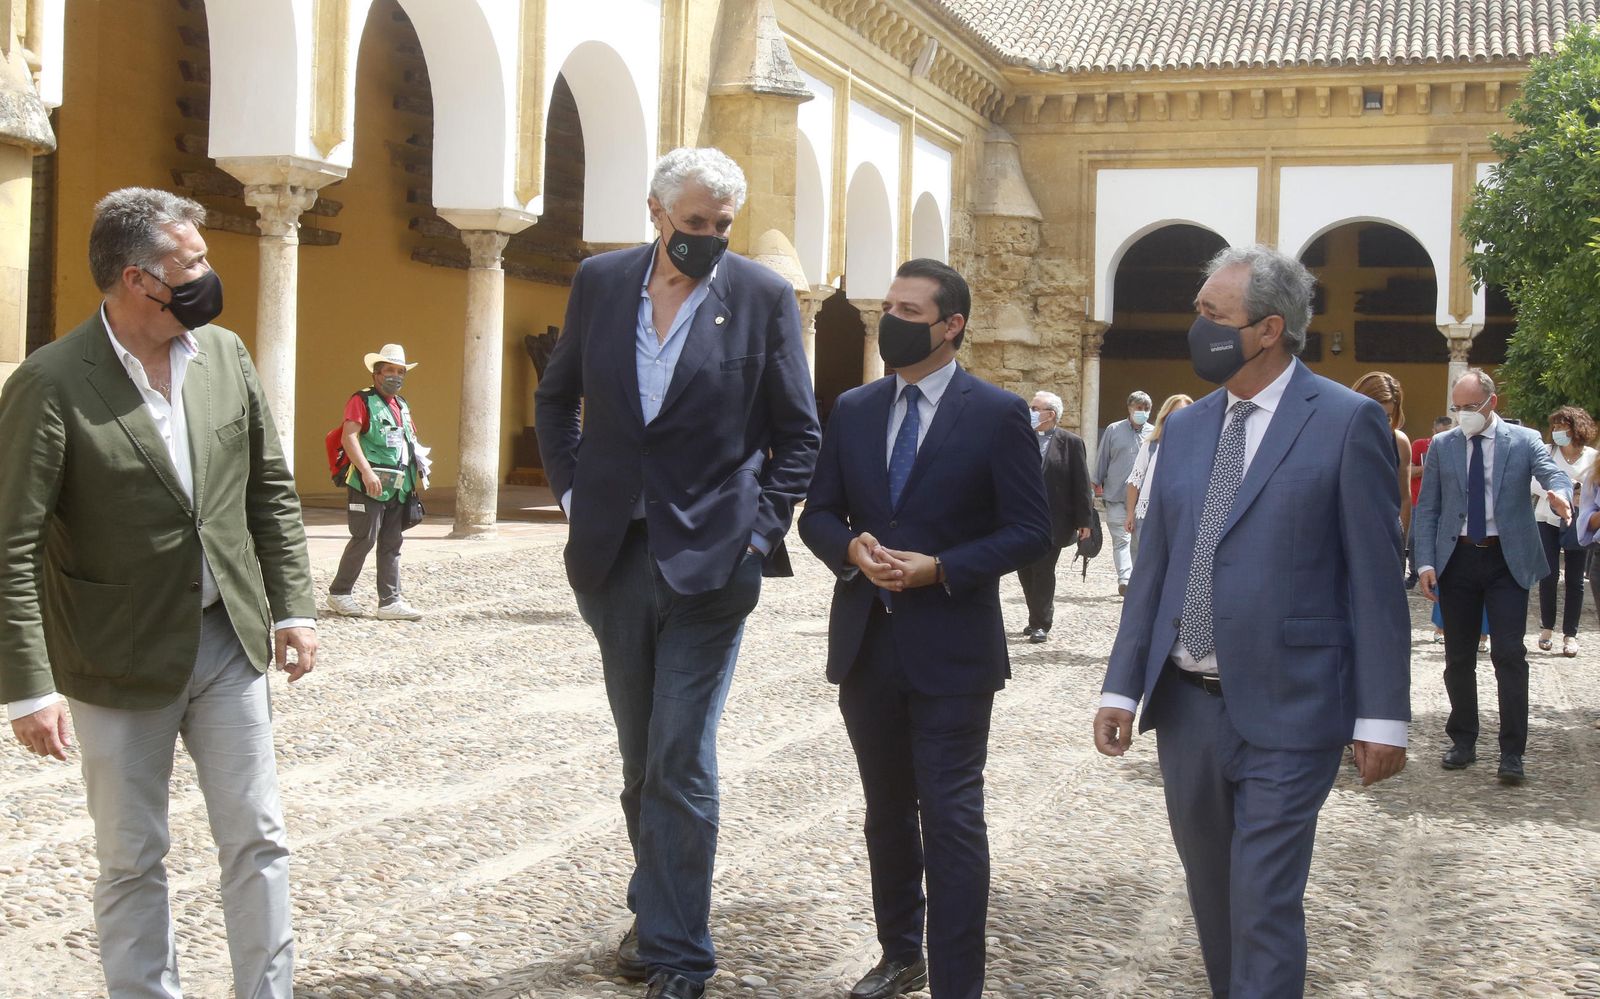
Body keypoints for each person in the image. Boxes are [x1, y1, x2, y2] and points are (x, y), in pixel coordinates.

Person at [0, 188, 318, 998]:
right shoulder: (51, 382)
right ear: (139, 279)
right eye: (195, 263)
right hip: (115, 656)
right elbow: (11, 544)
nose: (211, 275)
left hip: (225, 641)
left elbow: (269, 488)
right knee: (132, 856)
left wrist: (292, 605)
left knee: (258, 837)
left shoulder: (226, 356)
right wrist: (29, 689)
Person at [533, 147, 820, 999]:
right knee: (638, 757)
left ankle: (680, 952)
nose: (709, 239)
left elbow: (798, 433)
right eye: (695, 224)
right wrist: (576, 487)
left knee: (681, 757)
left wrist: (759, 530)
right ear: (656, 213)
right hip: (613, 554)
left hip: (713, 563)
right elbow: (558, 398)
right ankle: (652, 907)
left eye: (722, 226)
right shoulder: (602, 283)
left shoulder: (762, 297)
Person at [1094, 244, 1409, 999]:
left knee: (1264, 901)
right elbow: (1157, 570)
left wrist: (1385, 717)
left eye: (1212, 313)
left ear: (1268, 329)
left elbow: (1375, 579)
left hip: (1294, 706)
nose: (1196, 325)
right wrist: (1120, 687)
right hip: (1187, 708)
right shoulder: (1189, 428)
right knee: (1215, 900)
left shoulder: (1346, 421)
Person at [799, 259, 1050, 999]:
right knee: (886, 813)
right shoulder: (854, 407)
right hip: (867, 645)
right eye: (890, 304)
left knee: (950, 817)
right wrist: (849, 549)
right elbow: (816, 511)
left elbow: (1030, 530)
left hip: (953, 652)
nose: (893, 319)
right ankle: (900, 951)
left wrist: (940, 567)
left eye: (911, 308)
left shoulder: (997, 413)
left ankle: (958, 984)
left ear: (951, 325)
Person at [1413, 369, 1570, 785]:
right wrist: (1425, 564)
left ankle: (1512, 751)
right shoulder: (1444, 447)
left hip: (1505, 560)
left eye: (1471, 407)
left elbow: (1551, 474)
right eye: (1458, 408)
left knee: (1507, 653)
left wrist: (1559, 495)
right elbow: (1428, 507)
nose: (1463, 415)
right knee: (1458, 656)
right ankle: (1463, 740)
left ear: (1491, 403)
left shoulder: (1523, 441)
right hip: (1458, 560)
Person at [325, 343, 429, 621]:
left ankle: (389, 601)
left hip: (398, 486)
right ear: (376, 374)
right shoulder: (361, 400)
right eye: (389, 371)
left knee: (392, 543)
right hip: (367, 484)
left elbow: (408, 442)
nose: (395, 376)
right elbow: (350, 437)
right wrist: (367, 473)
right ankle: (340, 593)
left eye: (400, 371)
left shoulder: (402, 404)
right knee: (364, 538)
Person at [1016, 390, 1094, 643]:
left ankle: (1042, 623)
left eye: (1035, 407)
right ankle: (1033, 616)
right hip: (1020, 518)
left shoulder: (1070, 442)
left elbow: (1081, 484)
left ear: (1050, 414)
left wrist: (1085, 522)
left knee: (1043, 570)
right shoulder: (1021, 437)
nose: (1031, 411)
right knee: (1024, 569)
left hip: (1053, 520)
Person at [1532, 406, 1596, 656]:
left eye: (1562, 426)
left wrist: (1582, 493)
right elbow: (1535, 482)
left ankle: (1570, 634)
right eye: (1555, 426)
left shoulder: (1591, 456)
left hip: (1577, 522)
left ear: (1576, 428)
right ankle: (1547, 627)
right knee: (1547, 575)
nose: (1557, 431)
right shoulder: (1547, 452)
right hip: (1547, 518)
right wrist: (1566, 487)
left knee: (1575, 580)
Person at [1092, 390, 1153, 595]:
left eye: (1146, 409)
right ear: (1129, 408)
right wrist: (1094, 484)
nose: (1142, 412)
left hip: (1143, 499)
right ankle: (1125, 579)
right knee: (1121, 539)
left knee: (1137, 541)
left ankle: (1136, 579)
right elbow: (1103, 459)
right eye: (1139, 408)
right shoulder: (1113, 430)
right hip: (1116, 496)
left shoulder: (1154, 433)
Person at [1124, 393, 1193, 559]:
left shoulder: (1196, 446)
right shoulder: (1151, 444)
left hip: (1180, 517)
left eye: (1186, 413)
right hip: (1148, 516)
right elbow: (1135, 481)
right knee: (1146, 563)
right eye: (1175, 413)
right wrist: (1130, 514)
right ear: (1165, 415)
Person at [1350, 371, 1413, 540]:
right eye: (1374, 415)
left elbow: (1404, 499)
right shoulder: (1339, 438)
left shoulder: (1399, 442)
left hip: (1383, 536)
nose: (1380, 423)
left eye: (1387, 417)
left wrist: (1399, 545)